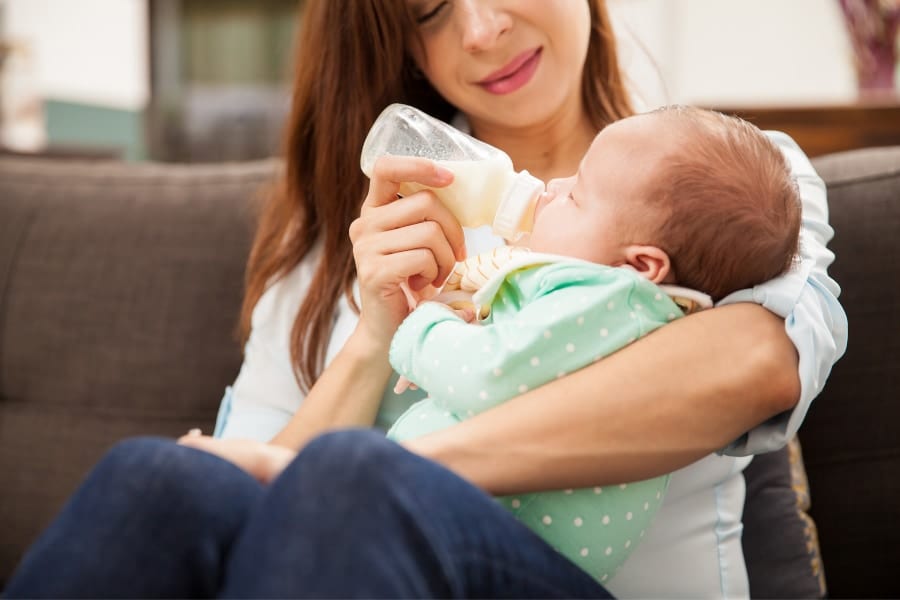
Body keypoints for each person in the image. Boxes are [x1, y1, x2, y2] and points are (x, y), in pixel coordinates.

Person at [5, 1, 846, 598]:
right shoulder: (346, 245)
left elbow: (754, 362)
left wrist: (400, 468)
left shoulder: (736, 178)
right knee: (160, 476)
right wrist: (376, 332)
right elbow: (242, 491)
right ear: (402, 49)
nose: (481, 29)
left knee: (350, 478)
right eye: (430, 10)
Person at [385, 105, 802, 584]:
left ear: (641, 266)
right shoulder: (633, 317)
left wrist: (426, 326)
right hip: (480, 539)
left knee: (337, 472)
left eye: (577, 196)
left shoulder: (605, 299)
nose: (554, 187)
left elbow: (488, 377)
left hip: (495, 553)